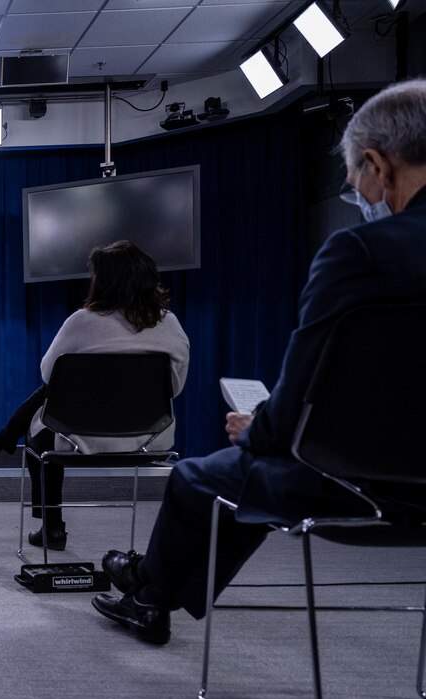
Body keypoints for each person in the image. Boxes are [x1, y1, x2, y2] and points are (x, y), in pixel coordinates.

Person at [92, 79, 426, 645]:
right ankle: (148, 588)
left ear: (376, 165)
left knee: (204, 476)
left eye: (354, 188)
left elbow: (300, 394)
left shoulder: (360, 253)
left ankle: (149, 590)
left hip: (358, 486)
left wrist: (260, 429)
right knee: (245, 474)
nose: (362, 201)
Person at [0, 241, 190, 551]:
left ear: (104, 281)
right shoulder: (170, 324)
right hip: (148, 438)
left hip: (80, 438)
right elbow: (174, 387)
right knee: (47, 407)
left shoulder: (82, 322)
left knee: (41, 427)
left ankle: (51, 525)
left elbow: (48, 374)